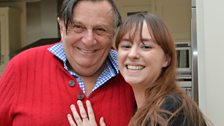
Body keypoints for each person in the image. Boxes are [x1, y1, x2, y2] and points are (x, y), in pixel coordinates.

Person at [0, 0, 135, 126]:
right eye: (78, 27)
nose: (89, 40)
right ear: (61, 26)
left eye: (100, 29)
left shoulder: (134, 75)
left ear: (113, 33)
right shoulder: (21, 68)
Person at [67, 13, 210, 126]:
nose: (133, 54)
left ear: (166, 59)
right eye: (126, 46)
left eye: (146, 46)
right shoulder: (141, 108)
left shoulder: (171, 109)